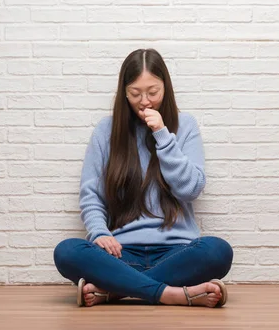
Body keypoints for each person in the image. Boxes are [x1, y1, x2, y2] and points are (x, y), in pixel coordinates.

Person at [53, 48, 233, 308]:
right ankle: (171, 294)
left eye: (153, 92)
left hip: (177, 252)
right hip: (119, 253)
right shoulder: (106, 130)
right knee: (67, 251)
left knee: (218, 251)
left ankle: (114, 291)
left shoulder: (185, 125)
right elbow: (91, 194)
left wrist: (162, 134)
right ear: (124, 93)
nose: (145, 101)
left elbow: (191, 189)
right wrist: (100, 232)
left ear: (166, 88)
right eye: (135, 94)